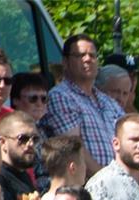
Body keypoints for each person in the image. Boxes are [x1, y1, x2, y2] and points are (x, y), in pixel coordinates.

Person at [41, 36, 123, 169]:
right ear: (65, 62)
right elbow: (74, 149)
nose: (88, 59)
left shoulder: (109, 102)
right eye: (80, 55)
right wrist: (105, 181)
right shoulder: (60, 97)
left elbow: (128, 140)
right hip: (86, 184)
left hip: (118, 181)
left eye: (92, 55)